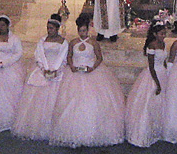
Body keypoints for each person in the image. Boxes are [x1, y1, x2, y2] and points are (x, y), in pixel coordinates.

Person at [50, 14, 125, 147]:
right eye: (80, 31)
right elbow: (69, 56)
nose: (82, 33)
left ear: (88, 30)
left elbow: (99, 58)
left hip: (91, 72)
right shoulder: (73, 42)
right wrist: (71, 66)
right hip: (75, 74)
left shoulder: (93, 43)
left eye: (84, 31)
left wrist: (92, 68)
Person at [12, 14, 69, 141]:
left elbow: (63, 58)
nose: (49, 30)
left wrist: (56, 70)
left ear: (57, 28)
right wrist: (44, 69)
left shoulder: (63, 42)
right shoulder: (42, 40)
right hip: (43, 69)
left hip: (57, 70)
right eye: (48, 28)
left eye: (51, 28)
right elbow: (38, 56)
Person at [125, 21, 168, 147]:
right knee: (149, 103)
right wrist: (157, 83)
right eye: (161, 34)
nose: (163, 36)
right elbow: (151, 67)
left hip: (163, 73)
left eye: (164, 33)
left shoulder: (163, 44)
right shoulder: (152, 45)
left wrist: (167, 72)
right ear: (155, 34)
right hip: (153, 75)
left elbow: (164, 61)